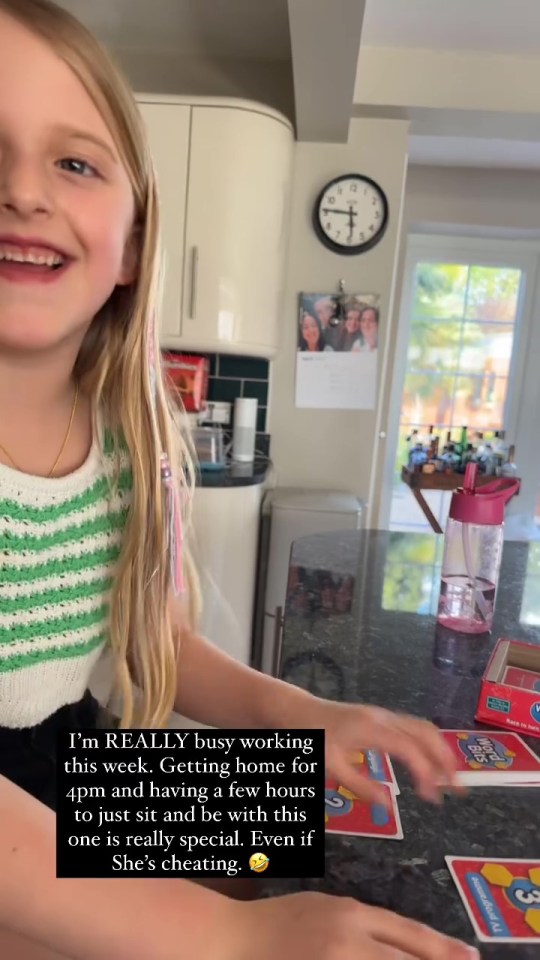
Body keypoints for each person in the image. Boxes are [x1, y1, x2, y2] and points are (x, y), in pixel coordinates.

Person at [0, 2, 479, 959]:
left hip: (72, 762)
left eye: (75, 163)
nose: (23, 191)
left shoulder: (131, 446)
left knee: (357, 829)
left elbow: (162, 644)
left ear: (135, 244)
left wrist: (311, 718)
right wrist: (229, 935)